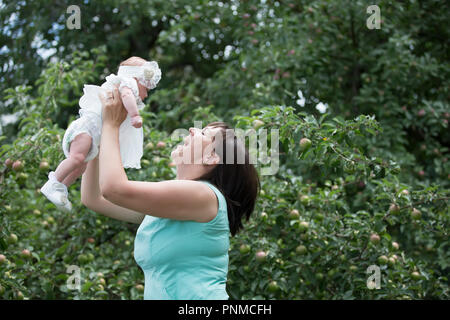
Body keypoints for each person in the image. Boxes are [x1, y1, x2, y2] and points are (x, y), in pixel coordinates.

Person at [80, 88, 260, 299]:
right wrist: (98, 136)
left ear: (213, 158)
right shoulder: (171, 208)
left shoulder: (205, 195)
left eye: (204, 134)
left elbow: (114, 189)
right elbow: (93, 198)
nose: (192, 130)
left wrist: (111, 124)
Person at [40, 56, 161, 212]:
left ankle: (61, 187)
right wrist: (135, 115)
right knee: (76, 158)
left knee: (81, 165)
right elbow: (127, 96)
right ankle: (53, 181)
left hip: (91, 136)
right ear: (136, 78)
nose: (146, 94)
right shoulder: (128, 84)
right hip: (85, 129)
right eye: (147, 89)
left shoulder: (121, 87)